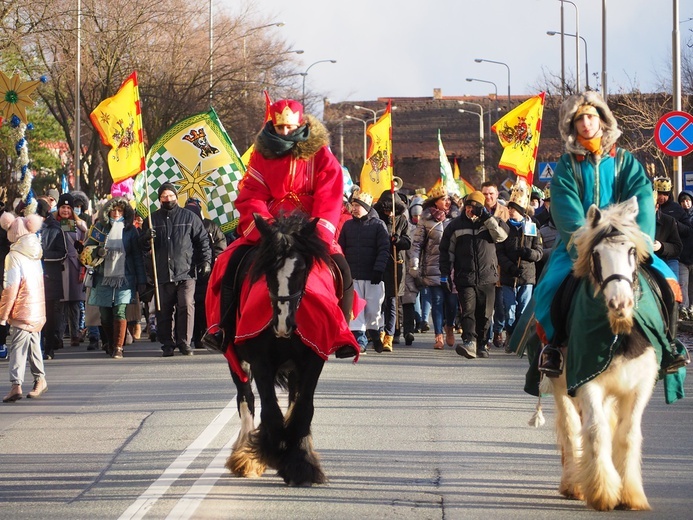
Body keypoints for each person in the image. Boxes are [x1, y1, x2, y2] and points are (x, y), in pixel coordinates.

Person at [533, 91, 685, 376]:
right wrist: (584, 240)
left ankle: (669, 344)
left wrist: (639, 238)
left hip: (624, 241)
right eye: (580, 119)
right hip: (581, 244)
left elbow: (641, 194)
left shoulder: (625, 161)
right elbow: (565, 205)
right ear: (572, 125)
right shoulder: (567, 165)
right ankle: (554, 348)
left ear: (602, 120)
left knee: (668, 283)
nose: (586, 123)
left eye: (591, 117)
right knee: (550, 289)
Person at [205, 99, 358, 360]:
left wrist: (317, 233)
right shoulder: (261, 154)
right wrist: (267, 228)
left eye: (289, 127)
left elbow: (329, 194)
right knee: (228, 263)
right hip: (272, 227)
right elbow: (251, 193)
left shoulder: (320, 153)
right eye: (279, 128)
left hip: (308, 228)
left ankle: (342, 332)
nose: (284, 133)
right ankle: (223, 328)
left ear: (299, 125)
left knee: (341, 267)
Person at [141, 184, 211, 357]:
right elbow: (141, 246)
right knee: (163, 309)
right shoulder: (151, 220)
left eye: (171, 195)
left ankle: (184, 342)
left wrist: (206, 261)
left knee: (186, 305)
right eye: (164, 196)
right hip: (163, 273)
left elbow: (202, 241)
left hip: (186, 271)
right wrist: (145, 237)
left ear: (176, 197)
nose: (168, 199)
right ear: (159, 199)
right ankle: (167, 343)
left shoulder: (189, 217)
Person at [440, 190, 509, 359]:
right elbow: (446, 251)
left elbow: (501, 236)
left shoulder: (492, 223)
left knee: (485, 314)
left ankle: (483, 344)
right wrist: (445, 274)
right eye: (468, 206)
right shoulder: (455, 225)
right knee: (468, 311)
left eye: (475, 207)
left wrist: (486, 217)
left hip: (488, 276)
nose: (470, 210)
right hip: (465, 276)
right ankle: (469, 342)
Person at [84, 197, 147, 359]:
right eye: (114, 210)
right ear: (108, 211)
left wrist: (141, 280)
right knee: (105, 314)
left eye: (120, 210)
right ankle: (110, 343)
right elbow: (86, 251)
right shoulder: (99, 228)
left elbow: (137, 257)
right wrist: (97, 252)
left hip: (125, 278)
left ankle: (118, 347)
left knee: (120, 311)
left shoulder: (130, 230)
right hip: (102, 277)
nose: (117, 213)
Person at [0, 212, 47, 402]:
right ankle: (40, 379)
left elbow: (10, 288)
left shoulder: (13, 256)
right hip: (36, 307)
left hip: (22, 307)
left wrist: (3, 314)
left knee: (18, 346)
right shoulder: (35, 252)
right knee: (34, 344)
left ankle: (16, 384)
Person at [338, 189, 390, 353]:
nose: (353, 209)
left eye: (356, 206)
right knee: (356, 310)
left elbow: (384, 249)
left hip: (373, 276)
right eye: (352, 205)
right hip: (354, 276)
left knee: (374, 309)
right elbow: (341, 248)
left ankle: (375, 334)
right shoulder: (348, 226)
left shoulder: (378, 225)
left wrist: (379, 269)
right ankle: (359, 340)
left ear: (366, 207)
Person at [409, 186, 457, 350]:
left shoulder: (455, 218)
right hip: (433, 266)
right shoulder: (426, 219)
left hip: (452, 267)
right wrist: (414, 261)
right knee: (437, 301)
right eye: (443, 199)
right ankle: (438, 336)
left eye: (448, 199)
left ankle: (449, 327)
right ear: (435, 202)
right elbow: (417, 244)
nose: (447, 202)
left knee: (452, 303)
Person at [495, 188, 542, 348]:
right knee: (509, 310)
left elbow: (539, 252)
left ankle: (520, 340)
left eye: (513, 208)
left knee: (523, 311)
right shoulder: (504, 227)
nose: (510, 211)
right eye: (509, 208)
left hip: (526, 276)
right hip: (509, 277)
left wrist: (528, 253)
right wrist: (509, 266)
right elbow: (499, 253)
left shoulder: (532, 227)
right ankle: (510, 332)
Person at [184, 198, 227, 349]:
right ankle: (193, 336)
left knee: (204, 305)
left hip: (207, 271)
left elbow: (221, 245)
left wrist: (214, 261)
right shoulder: (183, 225)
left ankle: (204, 334)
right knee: (189, 304)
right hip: (187, 270)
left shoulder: (211, 226)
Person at [372, 189, 411, 351]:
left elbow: (408, 242)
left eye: (391, 210)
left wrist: (398, 239)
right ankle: (378, 331)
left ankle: (390, 334)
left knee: (392, 302)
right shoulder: (376, 220)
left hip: (396, 264)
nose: (389, 213)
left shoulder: (401, 220)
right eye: (386, 209)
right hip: (379, 264)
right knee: (378, 302)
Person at [55, 193, 88, 347]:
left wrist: (83, 268)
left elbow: (84, 247)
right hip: (59, 267)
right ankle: (59, 336)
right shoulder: (53, 224)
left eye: (69, 207)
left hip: (75, 267)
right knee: (60, 305)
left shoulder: (79, 225)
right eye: (63, 207)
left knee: (74, 304)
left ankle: (75, 334)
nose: (66, 210)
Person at [36, 198, 67, 360]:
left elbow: (62, 253)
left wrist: (41, 256)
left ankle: (49, 347)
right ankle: (36, 347)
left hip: (51, 277)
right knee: (35, 314)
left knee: (50, 314)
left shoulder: (55, 228)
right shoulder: (29, 228)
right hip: (34, 278)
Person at [677, 190, 693, 319]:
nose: (685, 203)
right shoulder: (678, 217)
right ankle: (684, 309)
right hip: (683, 257)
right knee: (683, 284)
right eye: (682, 201)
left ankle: (691, 308)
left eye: (687, 200)